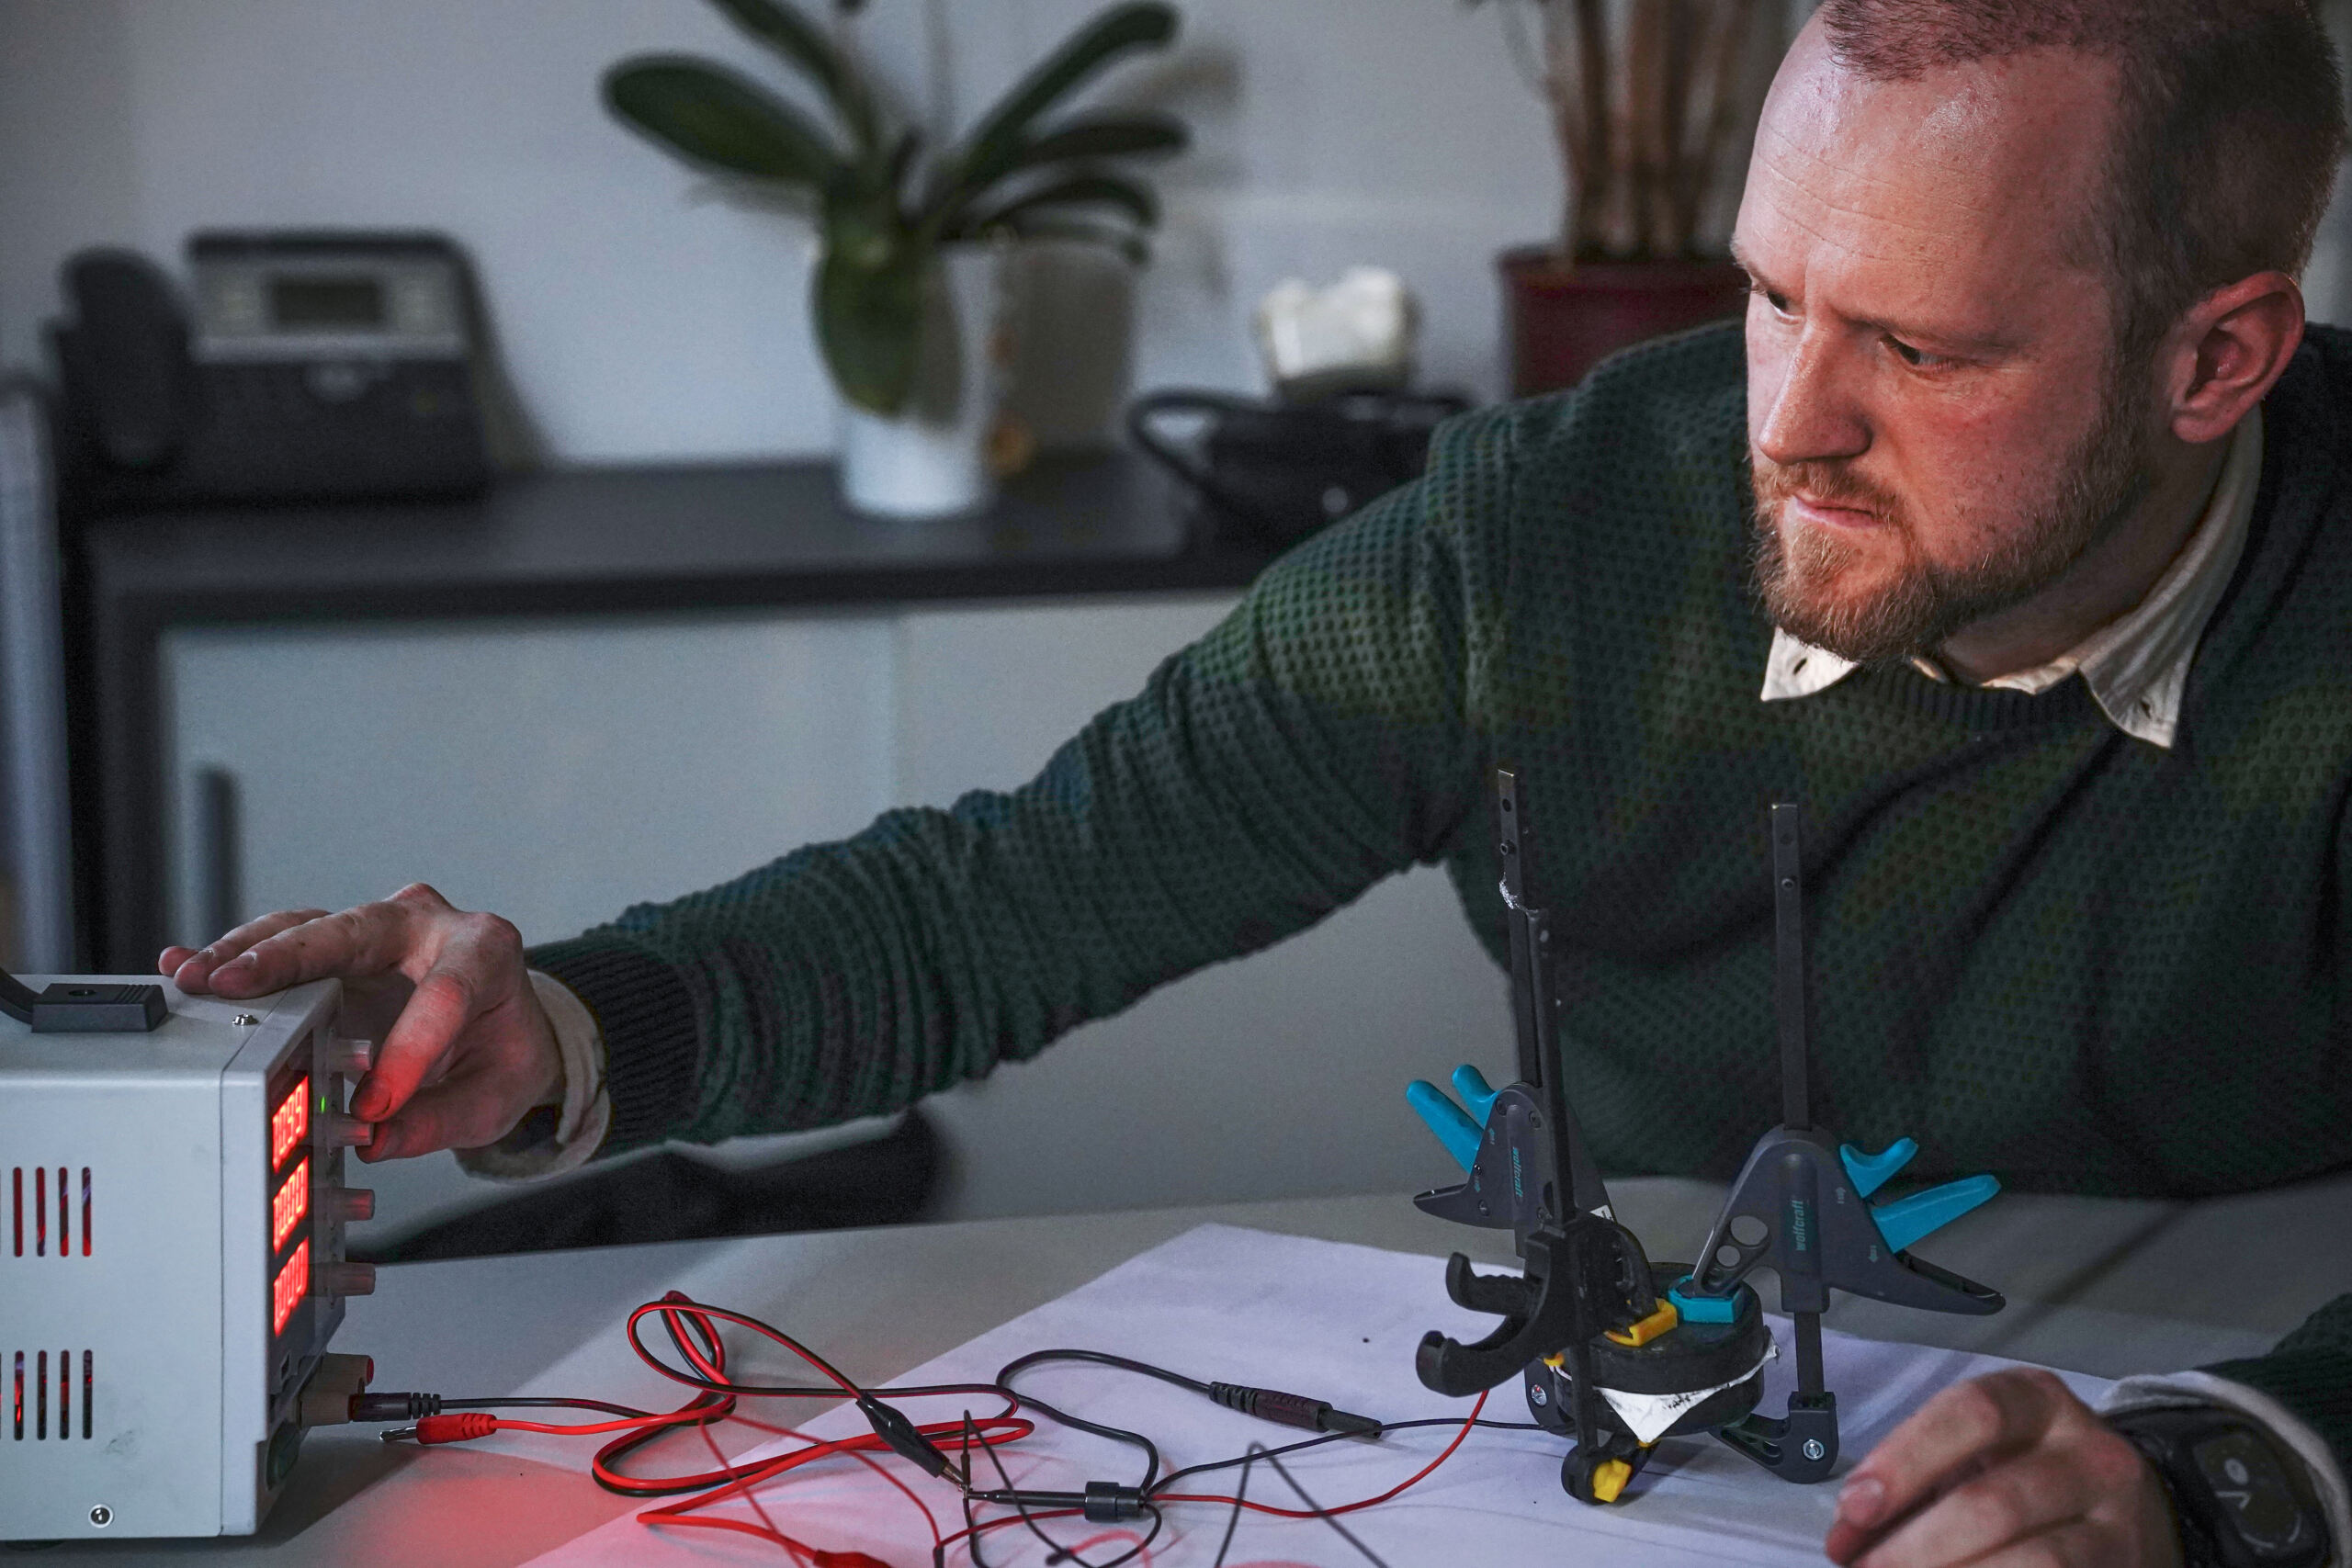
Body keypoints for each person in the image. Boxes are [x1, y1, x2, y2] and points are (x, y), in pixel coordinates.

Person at [166, 2, 2351, 1562]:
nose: (1786, 422)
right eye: (1773, 296)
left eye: (1923, 348)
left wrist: (2232, 1464)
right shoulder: (1540, 538)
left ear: (2213, 358)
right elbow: (1016, 892)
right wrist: (557, 1022)